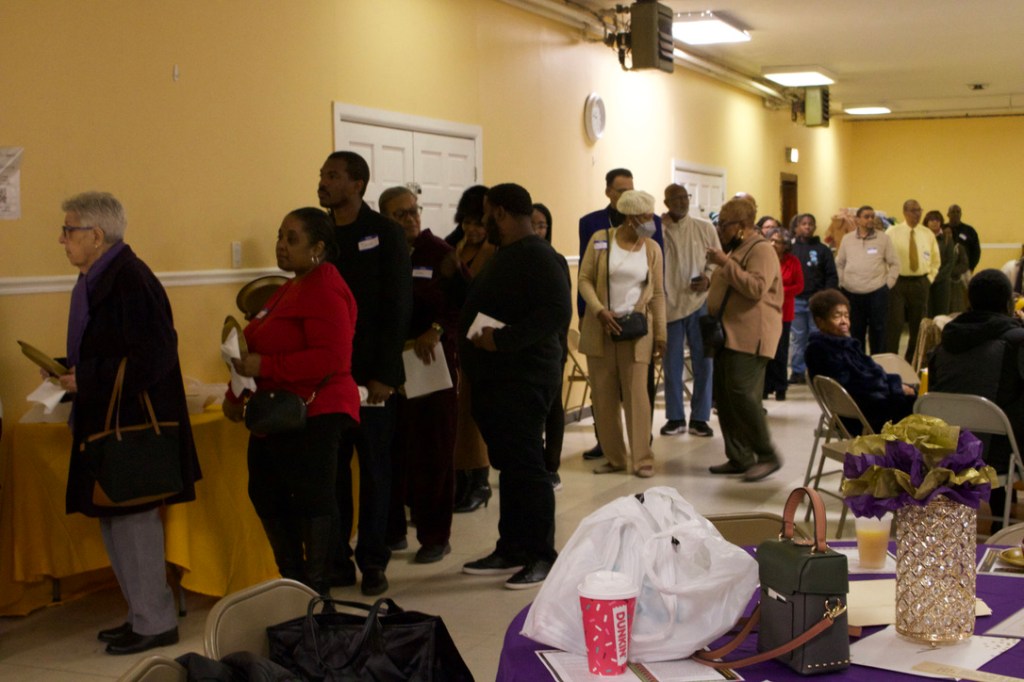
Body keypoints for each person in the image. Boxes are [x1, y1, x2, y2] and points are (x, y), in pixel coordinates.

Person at [57, 192, 200, 655]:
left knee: (134, 522)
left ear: (96, 235)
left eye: (69, 230)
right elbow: (109, 347)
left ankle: (156, 622)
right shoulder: (99, 277)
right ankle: (140, 614)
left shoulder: (130, 278)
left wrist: (89, 377)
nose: (62, 239)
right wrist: (68, 370)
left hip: (132, 427)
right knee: (114, 520)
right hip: (108, 420)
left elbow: (155, 354)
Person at [224, 208, 359, 595]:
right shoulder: (290, 287)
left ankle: (316, 590)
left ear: (318, 247)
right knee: (266, 494)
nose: (281, 246)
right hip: (274, 412)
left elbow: (331, 359)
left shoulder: (325, 287)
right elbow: (251, 346)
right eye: (280, 237)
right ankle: (293, 581)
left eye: (292, 239)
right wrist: (236, 392)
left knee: (312, 499)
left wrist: (267, 364)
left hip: (315, 411)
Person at [460, 183, 571, 589]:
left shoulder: (539, 255)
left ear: (501, 213)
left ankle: (542, 554)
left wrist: (502, 341)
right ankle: (511, 547)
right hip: (498, 379)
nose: (483, 220)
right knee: (510, 467)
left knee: (527, 467)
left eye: (487, 212)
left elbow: (557, 311)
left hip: (524, 378)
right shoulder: (506, 253)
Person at [318, 151, 413, 596]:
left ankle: (373, 561)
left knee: (375, 471)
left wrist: (385, 374)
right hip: (327, 379)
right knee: (332, 473)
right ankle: (337, 560)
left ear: (357, 184)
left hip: (372, 376)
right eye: (322, 175)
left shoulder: (386, 233)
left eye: (333, 175)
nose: (323, 182)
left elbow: (397, 307)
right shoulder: (319, 236)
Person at [377, 186, 462, 563]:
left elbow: (462, 303)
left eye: (414, 210)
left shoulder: (439, 253)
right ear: (385, 220)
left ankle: (435, 536)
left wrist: (437, 329)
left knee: (432, 450)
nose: (411, 218)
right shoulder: (382, 253)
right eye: (401, 214)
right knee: (391, 451)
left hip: (429, 363)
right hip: (390, 367)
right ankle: (392, 530)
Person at [578, 190, 667, 478]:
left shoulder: (652, 248)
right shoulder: (601, 240)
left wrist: (661, 334)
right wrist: (599, 310)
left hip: (637, 331)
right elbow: (584, 279)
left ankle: (642, 459)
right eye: (645, 217)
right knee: (603, 397)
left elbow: (658, 294)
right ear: (630, 218)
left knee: (637, 397)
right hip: (602, 329)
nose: (650, 222)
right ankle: (615, 458)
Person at [929, 269, 1024, 523]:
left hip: (949, 451)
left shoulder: (945, 342)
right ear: (1008, 303)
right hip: (1001, 456)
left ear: (969, 301)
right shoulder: (1015, 342)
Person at [705, 197, 784, 482]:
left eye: (724, 225)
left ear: (740, 225)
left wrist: (725, 263)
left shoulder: (761, 249)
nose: (720, 230)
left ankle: (767, 455)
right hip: (729, 335)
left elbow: (756, 287)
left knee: (742, 394)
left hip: (752, 336)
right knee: (725, 398)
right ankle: (739, 457)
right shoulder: (738, 248)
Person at [805, 289, 916, 434]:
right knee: (921, 407)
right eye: (837, 316)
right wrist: (895, 388)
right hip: (858, 417)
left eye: (846, 316)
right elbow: (854, 387)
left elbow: (871, 373)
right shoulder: (820, 350)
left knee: (920, 398)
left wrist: (895, 385)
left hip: (868, 406)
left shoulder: (846, 345)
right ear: (820, 321)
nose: (844, 321)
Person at [659, 183, 719, 437]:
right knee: (671, 364)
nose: (682, 202)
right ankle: (675, 418)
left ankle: (700, 418)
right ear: (666, 203)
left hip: (700, 303)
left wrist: (708, 278)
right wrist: (658, 224)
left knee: (705, 362)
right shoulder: (658, 229)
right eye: (675, 198)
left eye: (685, 197)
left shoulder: (705, 227)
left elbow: (717, 261)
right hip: (669, 305)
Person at [451, 185, 495, 513]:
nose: (472, 229)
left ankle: (480, 481)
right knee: (455, 414)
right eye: (467, 222)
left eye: (478, 223)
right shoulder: (455, 246)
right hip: (452, 338)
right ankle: (460, 479)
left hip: (479, 340)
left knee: (473, 413)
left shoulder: (495, 251)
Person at [532, 202, 570, 490]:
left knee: (553, 405)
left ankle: (551, 465)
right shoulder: (514, 260)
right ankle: (533, 461)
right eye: (532, 224)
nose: (537, 230)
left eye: (542, 225)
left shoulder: (556, 261)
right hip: (525, 347)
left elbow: (563, 309)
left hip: (553, 345)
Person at [836, 205, 899, 354]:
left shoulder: (883, 238)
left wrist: (887, 285)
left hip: (877, 293)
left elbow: (895, 264)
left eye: (872, 216)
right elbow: (839, 263)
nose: (870, 219)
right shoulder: (847, 239)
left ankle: (878, 363)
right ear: (858, 219)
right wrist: (842, 282)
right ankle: (859, 362)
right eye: (866, 217)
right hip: (852, 293)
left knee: (878, 331)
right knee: (856, 331)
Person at [885, 199, 940, 362]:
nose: (917, 214)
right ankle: (891, 360)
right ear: (905, 212)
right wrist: (890, 278)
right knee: (895, 323)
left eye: (919, 210)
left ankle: (912, 360)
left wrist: (929, 279)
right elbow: (883, 258)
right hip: (898, 283)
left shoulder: (927, 234)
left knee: (918, 325)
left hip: (920, 283)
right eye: (913, 211)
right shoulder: (892, 232)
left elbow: (936, 260)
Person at [789, 212, 838, 384]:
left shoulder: (823, 250)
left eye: (810, 224)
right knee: (798, 338)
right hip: (796, 300)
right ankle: (797, 371)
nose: (807, 227)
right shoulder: (791, 249)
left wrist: (825, 297)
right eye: (803, 224)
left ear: (815, 227)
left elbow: (831, 275)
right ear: (796, 227)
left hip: (817, 301)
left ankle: (818, 371)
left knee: (817, 337)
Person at [763, 226, 804, 401]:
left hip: (784, 311)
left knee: (780, 351)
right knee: (765, 351)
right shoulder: (763, 259)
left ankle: (780, 387)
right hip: (764, 310)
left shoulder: (793, 261)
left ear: (785, 245)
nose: (774, 244)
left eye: (778, 242)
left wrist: (779, 290)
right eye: (771, 240)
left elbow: (799, 286)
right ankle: (765, 387)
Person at [925, 209, 956, 317]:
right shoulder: (922, 238)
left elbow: (950, 261)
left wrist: (937, 276)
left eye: (937, 220)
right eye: (931, 220)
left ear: (941, 222)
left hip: (943, 282)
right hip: (926, 281)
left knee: (941, 313)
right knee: (926, 313)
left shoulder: (947, 239)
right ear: (926, 222)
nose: (934, 222)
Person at [945, 204, 981, 273]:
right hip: (946, 271)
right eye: (953, 212)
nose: (955, 214)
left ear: (961, 214)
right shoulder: (942, 229)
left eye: (958, 212)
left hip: (965, 270)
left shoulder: (970, 230)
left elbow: (976, 251)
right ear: (948, 214)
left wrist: (971, 267)